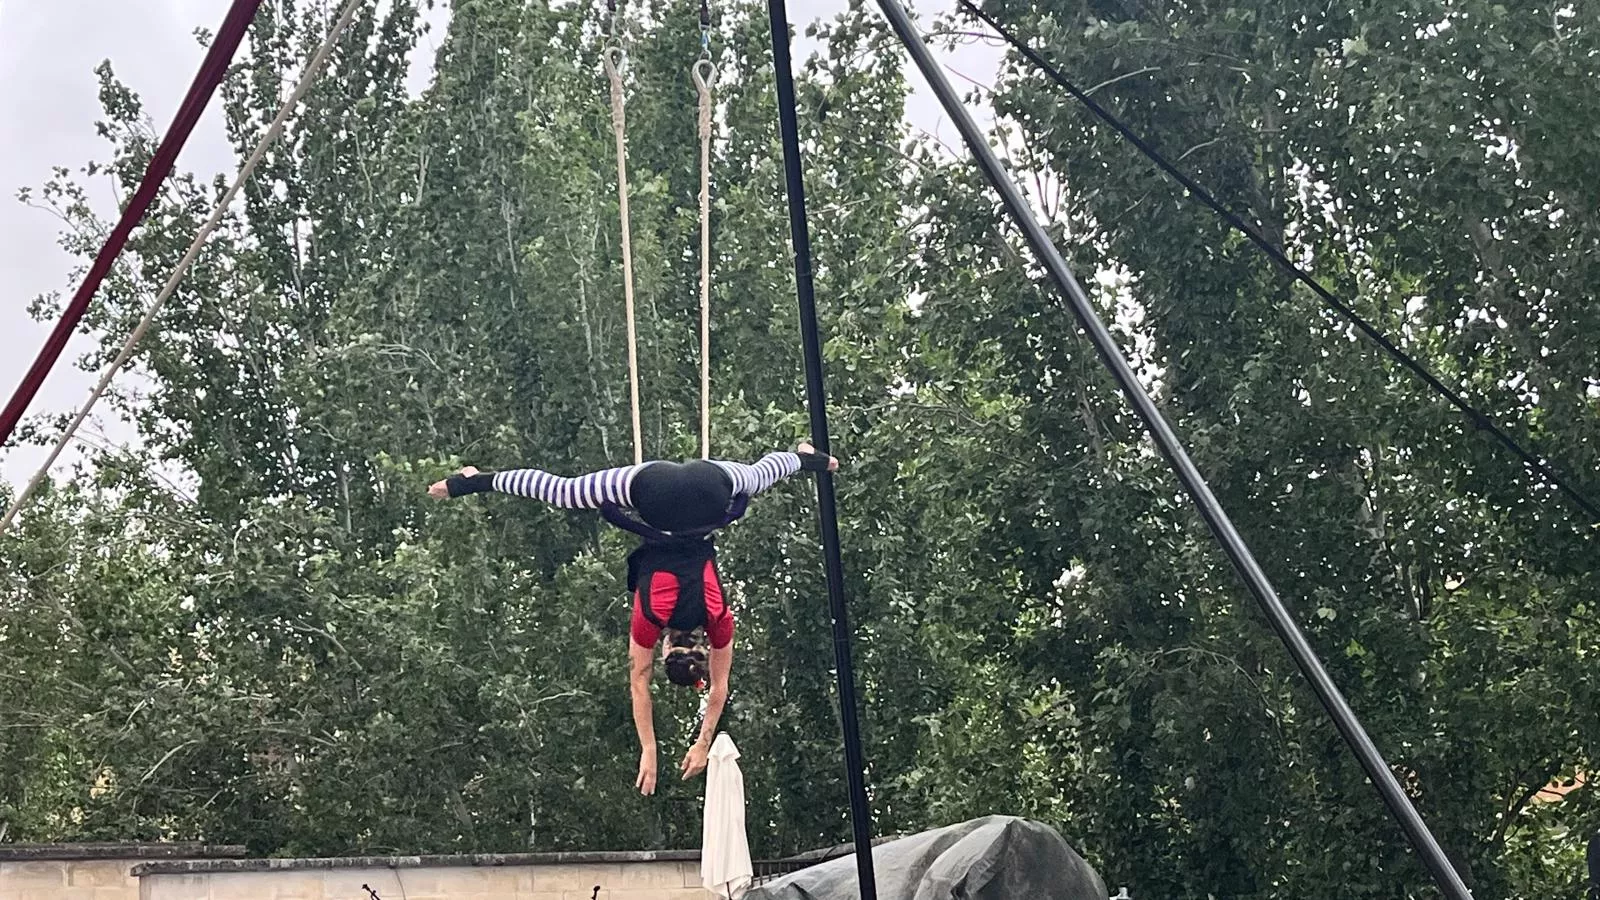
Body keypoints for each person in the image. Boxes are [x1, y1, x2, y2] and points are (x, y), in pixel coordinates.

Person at [427, 443, 838, 795]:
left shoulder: (717, 618)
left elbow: (719, 689)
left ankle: (807, 459)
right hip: (652, 493)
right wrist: (649, 750)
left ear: (698, 646)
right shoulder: (651, 617)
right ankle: (472, 481)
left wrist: (702, 742)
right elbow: (638, 682)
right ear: (666, 647)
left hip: (712, 486)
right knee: (564, 492)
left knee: (761, 474)